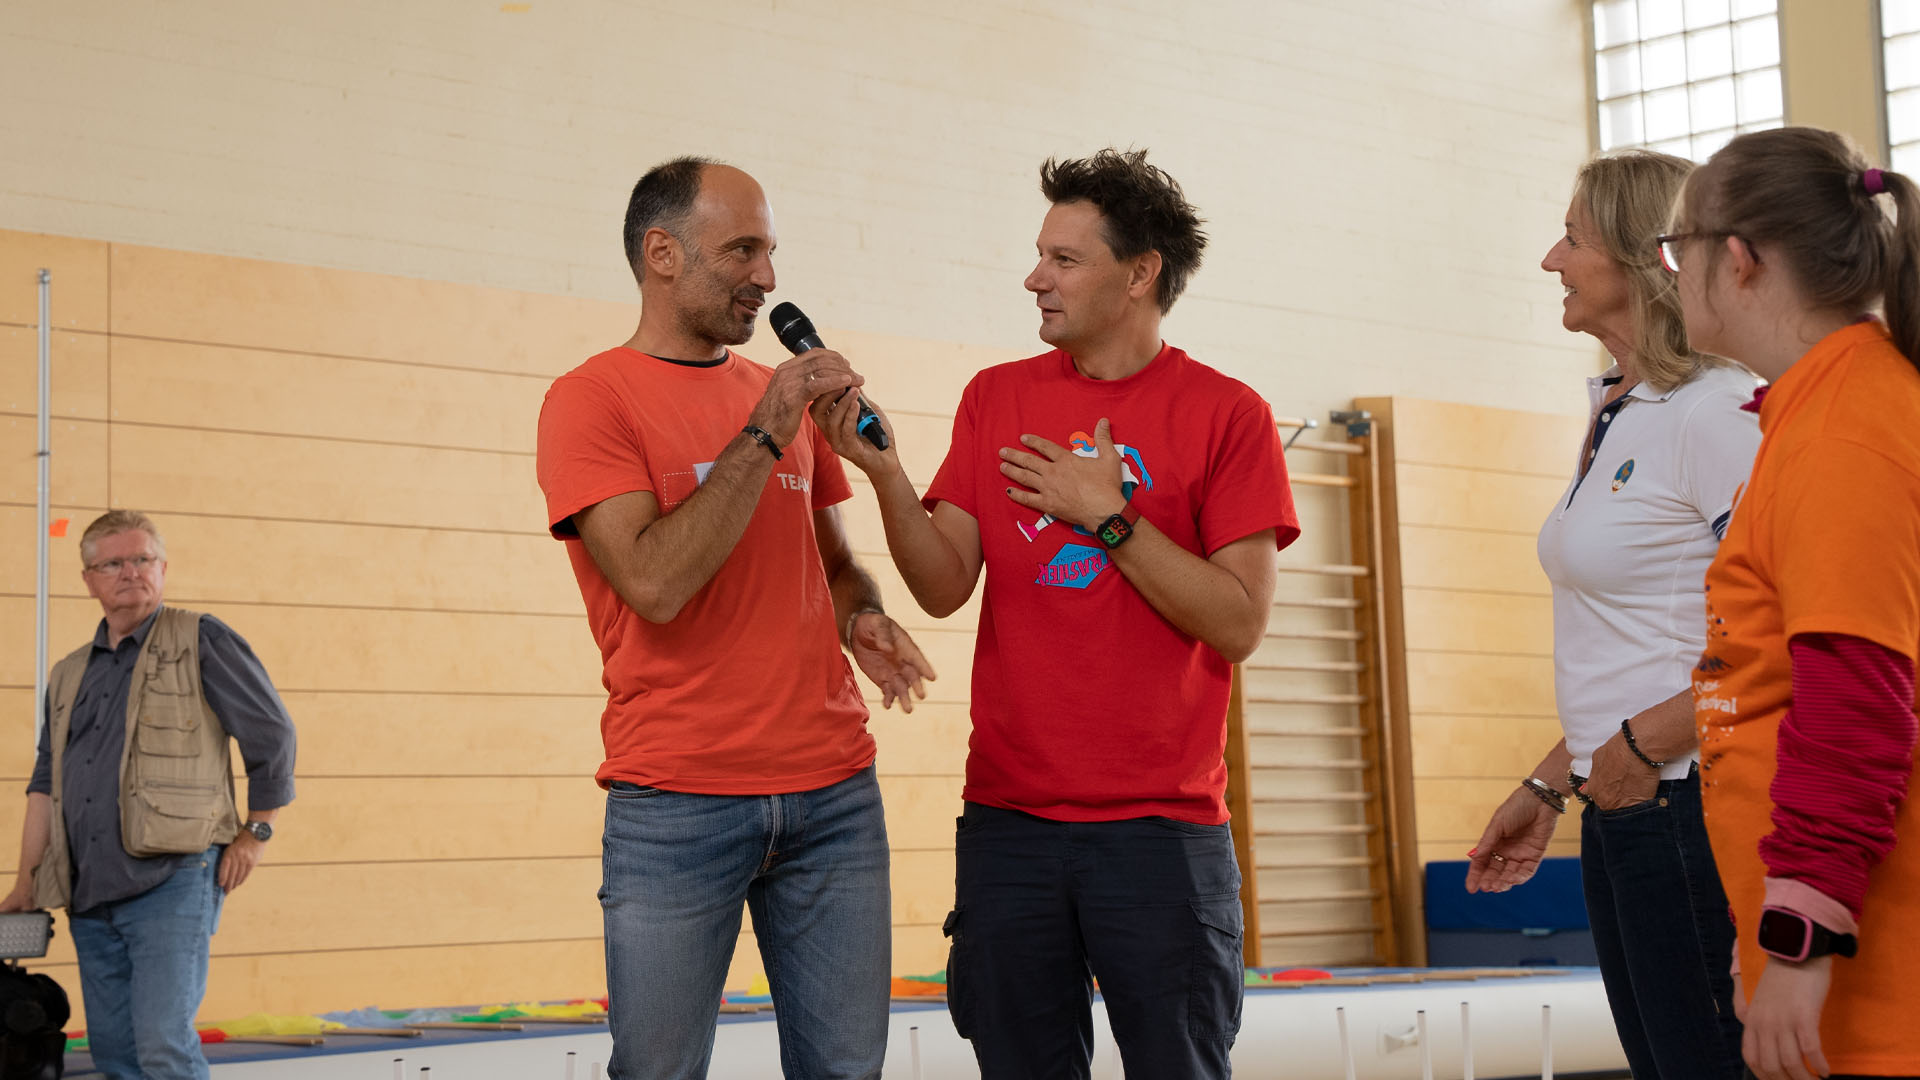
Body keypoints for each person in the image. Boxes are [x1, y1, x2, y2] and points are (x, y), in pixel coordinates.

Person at [812, 148, 1297, 1079]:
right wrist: (885, 474)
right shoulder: (998, 396)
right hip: (1010, 825)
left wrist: (1106, 515)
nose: (1035, 277)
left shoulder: (1227, 414)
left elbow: (1238, 622)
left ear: (1141, 272)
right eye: (1041, 255)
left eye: (1064, 259)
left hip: (1162, 834)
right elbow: (945, 583)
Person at [535, 156, 936, 1080]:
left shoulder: (780, 399)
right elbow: (654, 584)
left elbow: (830, 563)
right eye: (743, 251)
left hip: (833, 795)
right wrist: (764, 425)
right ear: (662, 253)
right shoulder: (591, 400)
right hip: (677, 801)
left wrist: (862, 616)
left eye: (771, 251)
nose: (767, 277)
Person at [1464, 150, 1754, 1080]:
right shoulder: (1619, 411)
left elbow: (1781, 629)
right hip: (1626, 802)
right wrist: (1557, 781)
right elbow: (1639, 642)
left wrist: (1632, 750)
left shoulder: (1718, 413)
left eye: (1574, 238)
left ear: (1642, 260)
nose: (1553, 259)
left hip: (1691, 801)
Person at [1670, 127, 1920, 1080]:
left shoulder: (1847, 429)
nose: (1674, 271)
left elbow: (1856, 702)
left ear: (1737, 258)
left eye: (1677, 246)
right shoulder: (1813, 410)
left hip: (1873, 967)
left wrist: (1799, 936)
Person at [0, 510, 297, 1080]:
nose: (129, 572)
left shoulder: (201, 639)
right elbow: (45, 783)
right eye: (113, 562)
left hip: (174, 879)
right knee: (115, 1054)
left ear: (163, 569)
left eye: (142, 559)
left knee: (164, 1048)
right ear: (88, 578)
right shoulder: (68, 674)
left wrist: (256, 833)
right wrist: (26, 881)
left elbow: (272, 733)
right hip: (89, 894)